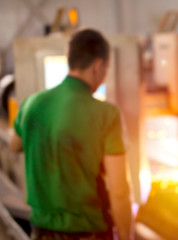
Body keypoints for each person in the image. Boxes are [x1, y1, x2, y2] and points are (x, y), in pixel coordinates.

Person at [9, 29, 133, 240]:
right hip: (87, 232)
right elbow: (119, 191)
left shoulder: (32, 103)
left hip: (41, 231)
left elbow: (14, 146)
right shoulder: (106, 114)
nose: (103, 79)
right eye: (106, 70)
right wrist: (125, 235)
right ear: (98, 66)